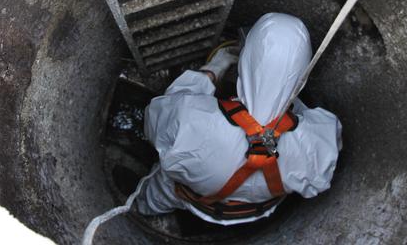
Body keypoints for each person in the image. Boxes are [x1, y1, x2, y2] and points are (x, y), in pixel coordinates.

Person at [136, 12, 342, 225]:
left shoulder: (191, 119)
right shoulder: (318, 142)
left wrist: (212, 71)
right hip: (252, 213)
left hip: (188, 198)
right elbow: (320, 176)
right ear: (303, 74)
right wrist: (287, 97)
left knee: (156, 196)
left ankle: (141, 211)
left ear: (246, 58)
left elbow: (153, 120)